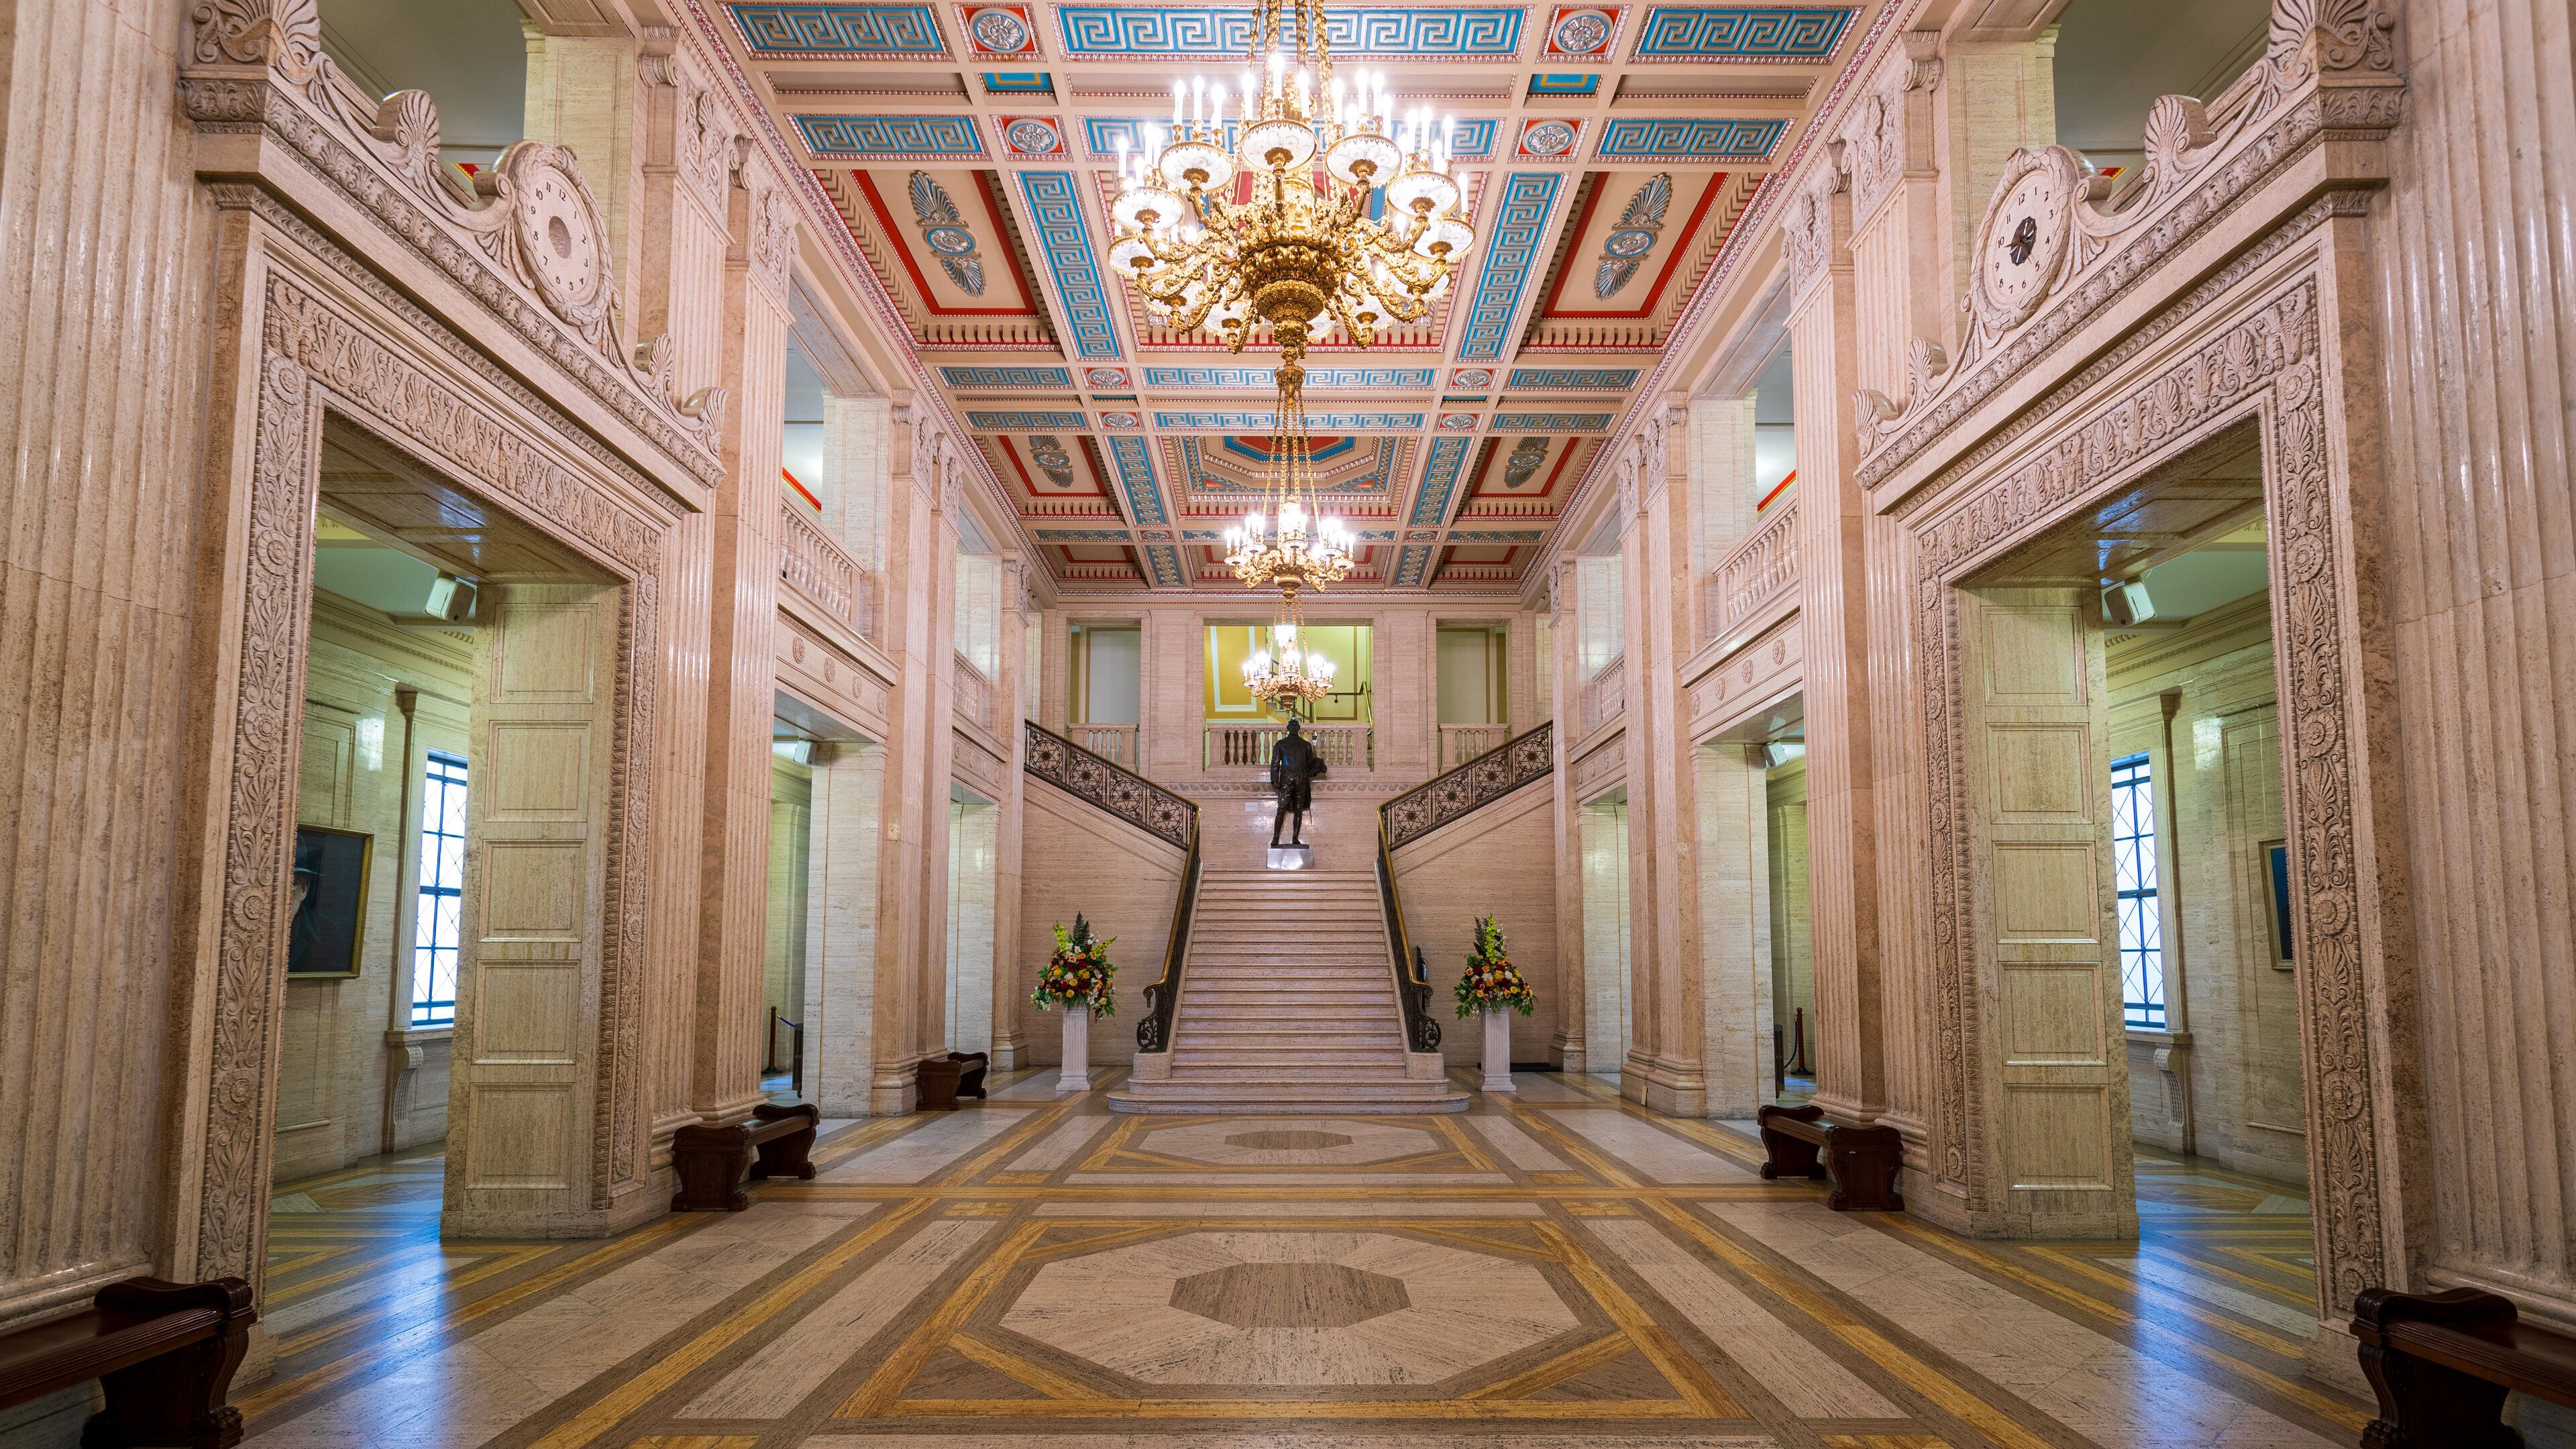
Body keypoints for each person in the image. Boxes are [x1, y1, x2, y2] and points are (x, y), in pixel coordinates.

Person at [1268, 716, 1327, 848]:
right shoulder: (1280, 744)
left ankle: (1295, 837)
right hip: (1286, 778)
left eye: (1296, 726)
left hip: (1301, 778)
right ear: (1288, 728)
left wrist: (1318, 764)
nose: (1294, 728)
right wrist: (1274, 778)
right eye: (1292, 726)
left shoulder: (1306, 745)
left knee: (1299, 809)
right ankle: (1275, 837)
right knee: (1281, 808)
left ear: (1299, 728)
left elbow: (1310, 762)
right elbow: (1275, 764)